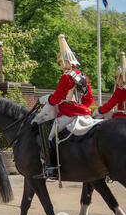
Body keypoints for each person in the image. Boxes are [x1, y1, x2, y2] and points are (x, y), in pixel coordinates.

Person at [32, 34, 94, 180]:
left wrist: (46, 98)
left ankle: (51, 169)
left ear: (66, 61)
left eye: (60, 62)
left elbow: (55, 100)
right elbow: (89, 100)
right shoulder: (82, 76)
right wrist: (80, 107)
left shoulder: (66, 77)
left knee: (49, 136)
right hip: (84, 113)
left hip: (69, 115)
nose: (59, 65)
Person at [94, 52, 126, 119]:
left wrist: (99, 110)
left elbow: (108, 106)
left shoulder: (120, 91)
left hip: (121, 118)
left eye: (117, 77)